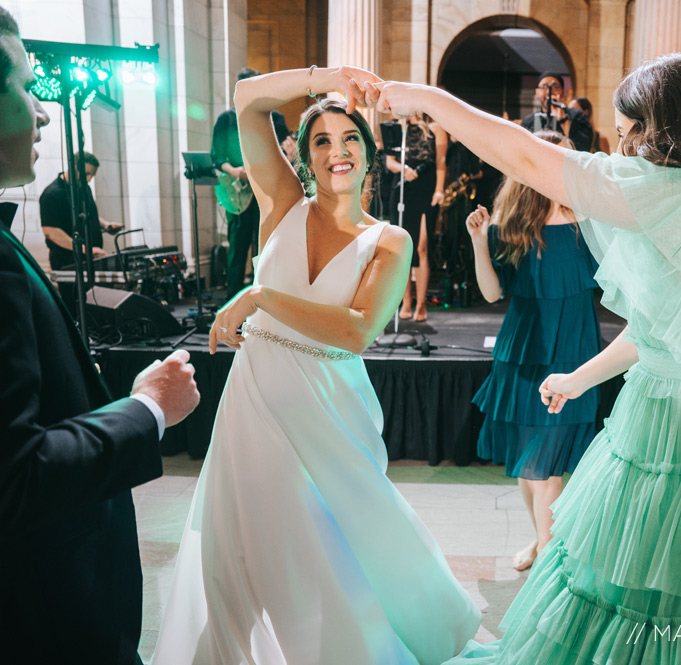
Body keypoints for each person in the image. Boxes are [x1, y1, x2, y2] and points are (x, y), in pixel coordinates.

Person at [371, 54, 681, 663]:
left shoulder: (672, 193)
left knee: (651, 587)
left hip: (680, 429)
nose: (626, 147)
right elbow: (666, 334)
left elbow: (529, 159)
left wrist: (429, 99)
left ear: (659, 127)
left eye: (630, 130)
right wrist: (581, 378)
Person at [153, 65, 479, 665]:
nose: (337, 152)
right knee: (235, 542)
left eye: (349, 137)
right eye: (322, 140)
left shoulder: (389, 239)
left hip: (328, 401)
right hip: (255, 396)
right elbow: (247, 101)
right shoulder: (281, 201)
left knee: (323, 545)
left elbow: (356, 331)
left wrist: (261, 297)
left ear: (369, 147)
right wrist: (323, 76)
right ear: (303, 154)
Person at [0, 8, 200, 664]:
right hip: (42, 618)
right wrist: (147, 409)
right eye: (27, 88)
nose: (45, 112)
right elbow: (16, 473)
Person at [467, 130, 600, 571]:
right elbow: (490, 294)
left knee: (550, 463)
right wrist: (477, 240)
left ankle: (548, 550)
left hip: (573, 349)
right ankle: (541, 539)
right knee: (529, 464)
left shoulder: (589, 218)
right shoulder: (511, 225)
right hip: (522, 352)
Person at [212, 66, 290, 299]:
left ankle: (264, 300)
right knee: (238, 249)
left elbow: (286, 152)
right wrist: (235, 172)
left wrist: (291, 152)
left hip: (267, 190)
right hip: (238, 192)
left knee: (266, 248)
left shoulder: (275, 118)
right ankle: (232, 304)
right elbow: (216, 157)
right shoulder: (226, 119)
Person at [385, 114, 447, 320]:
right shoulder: (395, 128)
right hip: (403, 186)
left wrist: (439, 190)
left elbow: (441, 161)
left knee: (421, 246)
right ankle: (406, 302)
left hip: (426, 185)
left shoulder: (435, 128)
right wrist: (403, 169)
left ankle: (421, 304)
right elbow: (390, 162)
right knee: (402, 247)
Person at [40, 150, 122, 270]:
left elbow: (86, 214)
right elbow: (51, 232)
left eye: (92, 175)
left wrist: (106, 225)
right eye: (87, 173)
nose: (89, 179)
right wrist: (86, 249)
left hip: (90, 258)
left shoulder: (83, 187)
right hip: (68, 261)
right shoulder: (52, 194)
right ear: (73, 168)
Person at [521, 72, 593, 155]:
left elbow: (584, 148)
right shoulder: (528, 121)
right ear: (537, 92)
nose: (549, 92)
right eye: (544, 87)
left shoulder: (577, 115)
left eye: (555, 87)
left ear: (562, 91)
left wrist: (564, 121)